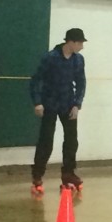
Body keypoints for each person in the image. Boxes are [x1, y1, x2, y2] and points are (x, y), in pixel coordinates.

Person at [29, 27, 87, 192]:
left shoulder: (78, 60)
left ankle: (68, 173)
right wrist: (37, 102)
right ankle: (37, 175)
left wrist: (77, 104)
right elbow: (36, 80)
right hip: (49, 103)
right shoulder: (50, 58)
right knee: (46, 141)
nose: (82, 46)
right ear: (71, 42)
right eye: (80, 43)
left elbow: (81, 83)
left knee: (71, 140)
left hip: (68, 104)